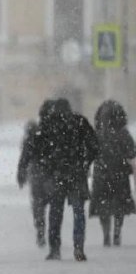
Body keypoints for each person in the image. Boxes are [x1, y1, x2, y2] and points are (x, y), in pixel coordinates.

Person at [32, 98, 98, 261]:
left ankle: (55, 249)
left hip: (57, 174)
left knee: (55, 211)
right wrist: (85, 162)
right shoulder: (79, 121)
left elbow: (37, 150)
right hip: (77, 173)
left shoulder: (48, 124)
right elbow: (94, 146)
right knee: (78, 212)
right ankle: (78, 247)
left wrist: (47, 165)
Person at [90, 100, 136, 246]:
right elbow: (132, 153)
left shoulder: (97, 133)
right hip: (120, 175)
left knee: (103, 206)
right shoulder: (123, 134)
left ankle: (106, 234)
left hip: (101, 175)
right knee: (119, 206)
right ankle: (117, 232)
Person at [17, 101, 54, 248]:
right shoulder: (56, 133)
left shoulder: (33, 135)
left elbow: (25, 156)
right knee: (55, 205)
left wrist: (21, 173)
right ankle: (53, 233)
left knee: (38, 205)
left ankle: (40, 230)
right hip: (52, 173)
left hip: (37, 173)